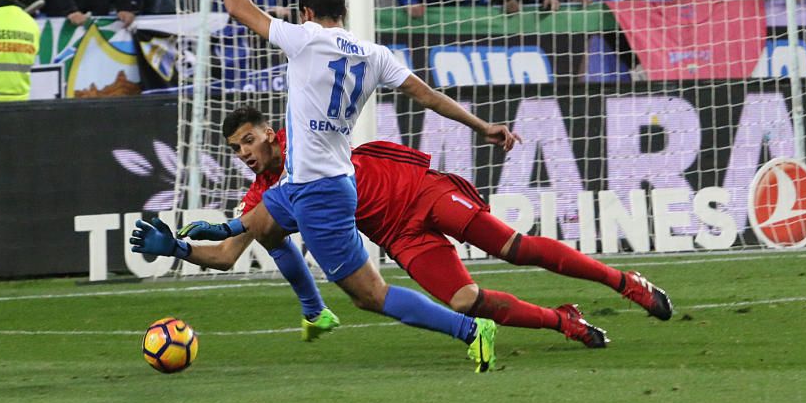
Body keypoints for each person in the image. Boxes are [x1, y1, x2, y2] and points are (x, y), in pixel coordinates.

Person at [131, 107, 674, 348]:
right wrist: (178, 247)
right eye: (235, 149)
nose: (245, 153)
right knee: (465, 300)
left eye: (249, 140)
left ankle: (623, 282)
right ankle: (564, 321)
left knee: (513, 247)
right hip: (400, 235)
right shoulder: (262, 197)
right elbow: (228, 253)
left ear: (270, 132)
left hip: (422, 191)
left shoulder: (305, 136)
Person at [214, 0, 520, 372]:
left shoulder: (305, 39)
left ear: (306, 14)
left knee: (370, 295)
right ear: (342, 13)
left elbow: (237, 7)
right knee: (265, 226)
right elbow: (428, 96)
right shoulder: (375, 55)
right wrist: (482, 125)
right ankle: (314, 310)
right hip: (321, 182)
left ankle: (469, 329)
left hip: (318, 190)